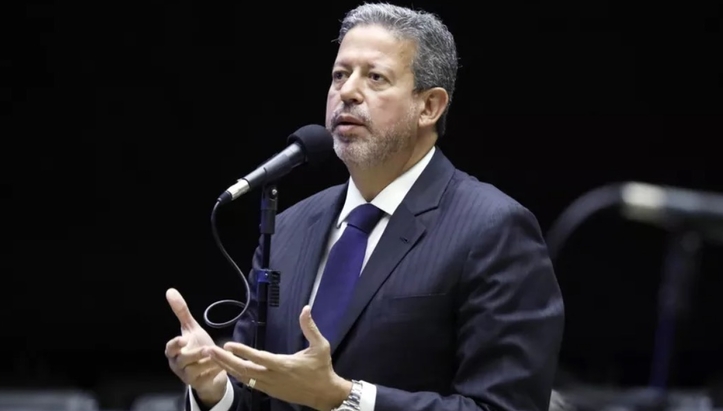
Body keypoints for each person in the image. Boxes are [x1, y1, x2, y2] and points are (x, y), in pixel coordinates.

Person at [164, 3, 565, 411]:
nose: (348, 92)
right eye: (340, 75)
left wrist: (346, 398)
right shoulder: (288, 228)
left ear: (429, 106)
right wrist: (214, 387)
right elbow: (259, 391)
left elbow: (503, 406)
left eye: (375, 77)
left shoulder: (493, 228)